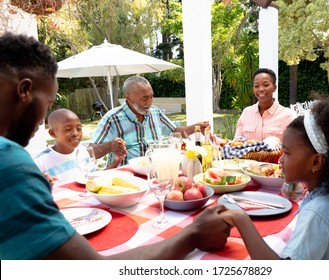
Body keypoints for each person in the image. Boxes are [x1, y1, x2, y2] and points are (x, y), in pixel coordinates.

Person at [0, 32, 231, 260]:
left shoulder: (12, 163)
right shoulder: (10, 164)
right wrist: (193, 234)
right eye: (48, 103)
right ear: (24, 91)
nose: (41, 119)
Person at [221, 96, 329, 259]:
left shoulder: (318, 212)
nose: (280, 159)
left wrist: (240, 219)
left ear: (316, 161)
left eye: (287, 152)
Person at [91, 76, 209, 166]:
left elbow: (175, 132)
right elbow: (91, 152)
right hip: (126, 177)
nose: (149, 102)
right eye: (144, 98)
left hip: (157, 171)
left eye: (151, 96)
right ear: (128, 97)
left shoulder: (155, 112)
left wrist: (197, 127)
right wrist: (110, 146)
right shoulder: (112, 118)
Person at [33, 108, 125, 185]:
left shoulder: (82, 152)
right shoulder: (40, 162)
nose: (75, 133)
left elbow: (94, 179)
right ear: (53, 133)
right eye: (68, 129)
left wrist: (116, 162)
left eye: (79, 129)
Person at [234, 68, 296, 142]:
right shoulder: (246, 113)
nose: (261, 89)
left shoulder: (287, 116)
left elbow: (294, 148)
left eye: (266, 85)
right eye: (256, 86)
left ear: (274, 88)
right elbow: (236, 144)